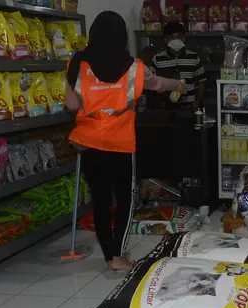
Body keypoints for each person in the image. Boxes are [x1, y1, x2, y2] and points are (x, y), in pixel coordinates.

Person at [65, 11, 184, 271]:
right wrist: (178, 84)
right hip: (120, 143)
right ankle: (118, 256)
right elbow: (158, 84)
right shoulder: (134, 67)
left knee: (101, 200)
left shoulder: (78, 63)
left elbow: (70, 103)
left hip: (88, 143)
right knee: (125, 200)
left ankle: (111, 255)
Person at [148, 21, 207, 108]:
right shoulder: (157, 59)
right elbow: (150, 81)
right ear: (166, 40)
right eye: (172, 37)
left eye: (178, 36)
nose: (175, 40)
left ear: (183, 39)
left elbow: (202, 81)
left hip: (189, 106)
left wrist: (198, 101)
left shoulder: (193, 57)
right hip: (166, 106)